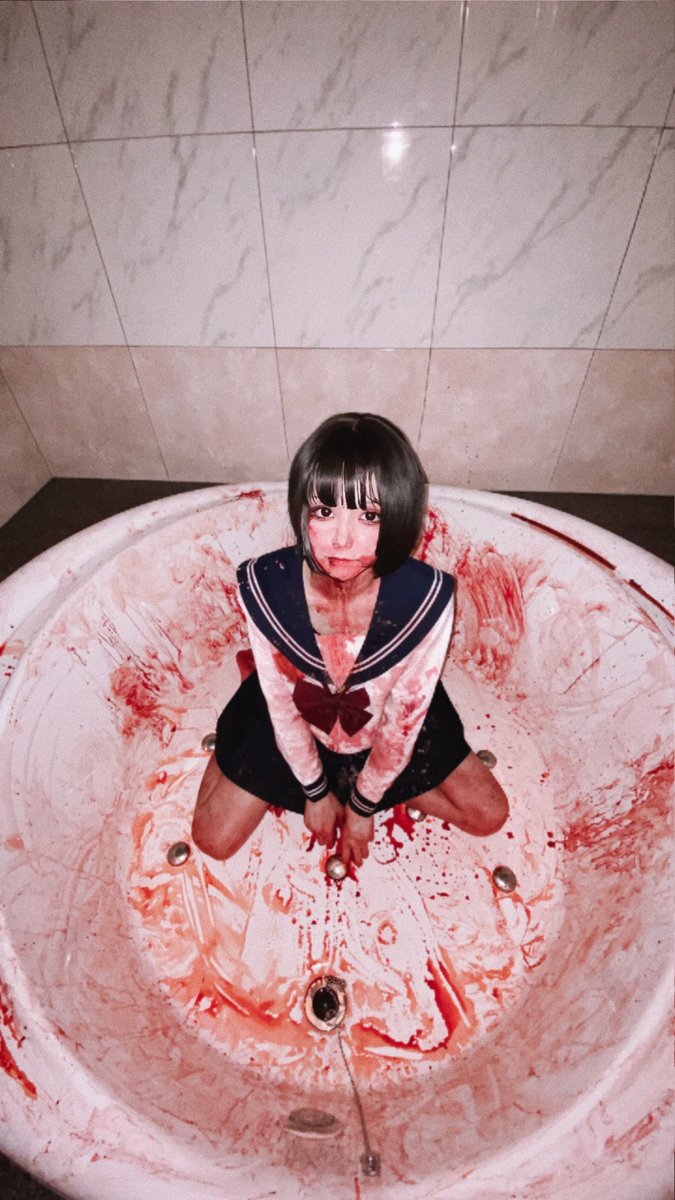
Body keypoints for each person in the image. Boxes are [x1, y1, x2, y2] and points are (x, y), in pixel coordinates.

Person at [192, 413, 508, 871]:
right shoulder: (268, 587)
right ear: (302, 511)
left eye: (369, 515)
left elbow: (403, 722)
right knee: (212, 839)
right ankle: (250, 688)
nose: (341, 539)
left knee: (489, 815)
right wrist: (315, 791)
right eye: (324, 512)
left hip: (385, 719)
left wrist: (362, 807)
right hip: (295, 715)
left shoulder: (424, 598)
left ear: (399, 514)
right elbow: (282, 706)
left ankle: (367, 785)